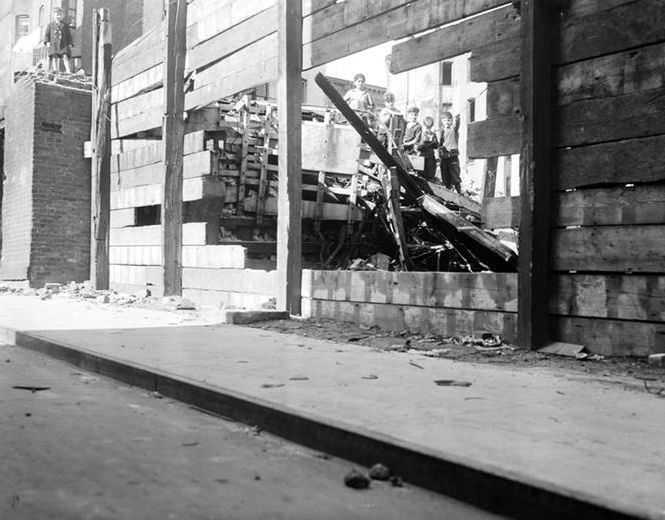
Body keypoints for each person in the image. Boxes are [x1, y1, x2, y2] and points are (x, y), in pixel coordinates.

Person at [43, 7, 72, 73]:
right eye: (57, 15)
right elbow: (47, 34)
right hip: (54, 44)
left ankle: (68, 70)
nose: (58, 16)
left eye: (60, 15)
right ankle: (55, 70)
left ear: (63, 16)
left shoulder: (65, 25)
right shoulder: (50, 25)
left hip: (63, 44)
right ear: (54, 16)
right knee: (54, 57)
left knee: (65, 56)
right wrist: (47, 42)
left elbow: (68, 35)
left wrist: (70, 43)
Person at [438, 111, 461, 193]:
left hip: (453, 154)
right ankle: (448, 189)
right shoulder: (442, 131)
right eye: (444, 120)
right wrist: (441, 153)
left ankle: (459, 190)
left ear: (451, 121)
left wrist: (457, 118)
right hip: (445, 155)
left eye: (449, 120)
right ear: (442, 122)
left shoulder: (453, 129)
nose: (447, 122)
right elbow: (440, 143)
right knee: (445, 173)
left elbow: (457, 124)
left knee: (455, 172)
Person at [418, 116, 438, 181]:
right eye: (427, 127)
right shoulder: (421, 134)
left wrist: (433, 142)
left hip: (430, 156)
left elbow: (436, 146)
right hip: (423, 156)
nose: (428, 129)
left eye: (430, 127)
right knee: (421, 174)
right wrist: (429, 143)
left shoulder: (433, 134)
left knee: (430, 173)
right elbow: (419, 146)